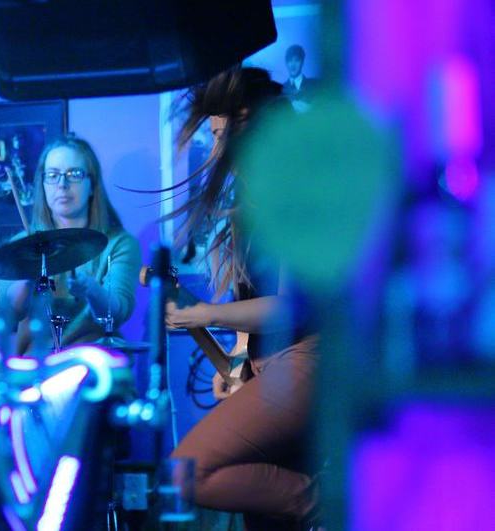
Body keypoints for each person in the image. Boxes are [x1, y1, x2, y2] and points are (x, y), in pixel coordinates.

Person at [164, 67, 320, 530]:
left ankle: (323, 504)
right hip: (269, 367)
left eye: (219, 136)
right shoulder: (246, 207)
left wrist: (204, 313)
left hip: (310, 359)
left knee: (186, 470)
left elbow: (291, 309)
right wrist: (235, 362)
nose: (215, 151)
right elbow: (250, 304)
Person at [0, 134, 141, 354]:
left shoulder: (119, 243)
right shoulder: (19, 246)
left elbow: (118, 312)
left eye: (74, 174)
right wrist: (26, 277)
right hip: (36, 363)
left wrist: (91, 289)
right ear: (43, 185)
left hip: (93, 361)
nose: (62, 185)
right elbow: (8, 313)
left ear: (92, 185)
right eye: (52, 175)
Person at [282, 44, 316, 112]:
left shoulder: (314, 85)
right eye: (290, 61)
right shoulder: (281, 89)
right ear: (286, 63)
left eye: (296, 60)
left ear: (302, 62)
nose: (292, 65)